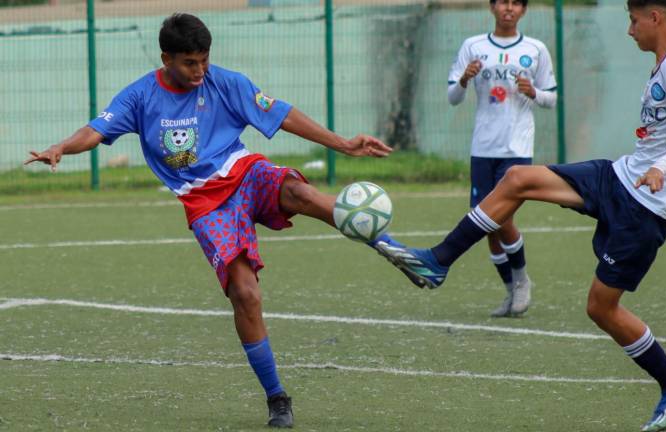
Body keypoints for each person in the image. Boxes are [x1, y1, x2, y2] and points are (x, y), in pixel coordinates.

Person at [25, 13, 395, 429]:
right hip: (205, 204)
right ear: (166, 58)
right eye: (189, 63)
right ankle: (277, 397)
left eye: (204, 60)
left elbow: (282, 114)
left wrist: (343, 144)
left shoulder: (226, 82)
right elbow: (95, 130)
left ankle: (385, 243)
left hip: (245, 171)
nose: (200, 70)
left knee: (298, 190)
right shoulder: (140, 97)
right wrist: (61, 147)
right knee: (245, 294)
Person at [376, 1, 666, 430]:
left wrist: (661, 168)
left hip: (647, 207)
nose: (630, 31)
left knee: (601, 307)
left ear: (655, 17)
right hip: (619, 177)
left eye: (632, 20)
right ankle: (437, 261)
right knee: (517, 179)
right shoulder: (665, 63)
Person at [447, 0, 557, 317]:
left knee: (501, 216)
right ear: (492, 7)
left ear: (523, 10)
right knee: (486, 224)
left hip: (516, 148)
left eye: (515, 3)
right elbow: (453, 97)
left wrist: (534, 92)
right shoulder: (473, 46)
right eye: (503, 2)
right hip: (482, 148)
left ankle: (522, 282)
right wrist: (465, 80)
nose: (508, 8)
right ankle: (510, 292)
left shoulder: (535, 49)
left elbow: (551, 97)